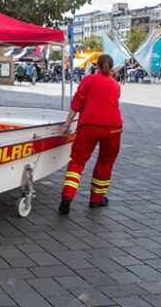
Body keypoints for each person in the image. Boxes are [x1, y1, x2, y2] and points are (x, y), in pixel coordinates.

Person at [58, 54, 122, 215]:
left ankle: (68, 196)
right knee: (105, 163)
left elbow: (76, 103)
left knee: (78, 162)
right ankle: (96, 199)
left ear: (96, 66)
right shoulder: (115, 85)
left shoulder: (88, 80)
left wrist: (67, 124)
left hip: (89, 126)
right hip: (113, 128)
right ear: (111, 67)